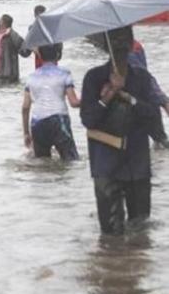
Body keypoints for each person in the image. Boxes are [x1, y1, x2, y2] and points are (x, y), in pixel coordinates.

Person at [80, 26, 157, 235]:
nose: (120, 46)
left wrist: (128, 98)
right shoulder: (94, 78)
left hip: (137, 164)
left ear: (132, 44)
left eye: (125, 40)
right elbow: (88, 119)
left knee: (140, 232)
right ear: (107, 47)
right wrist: (109, 94)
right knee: (110, 236)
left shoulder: (142, 77)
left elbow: (152, 114)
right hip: (106, 165)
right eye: (115, 41)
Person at [22, 44, 80, 161]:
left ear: (40, 56)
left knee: (42, 163)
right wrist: (93, 98)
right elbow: (74, 102)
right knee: (71, 161)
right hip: (59, 121)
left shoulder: (31, 77)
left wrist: (26, 133)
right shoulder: (64, 74)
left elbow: (25, 108)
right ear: (58, 55)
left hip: (37, 123)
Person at [0, 14, 25, 83]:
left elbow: (24, 50)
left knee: (6, 90)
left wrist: (11, 32)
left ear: (4, 23)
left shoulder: (12, 35)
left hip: (7, 75)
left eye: (0, 20)